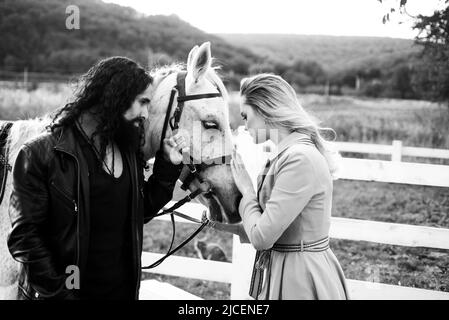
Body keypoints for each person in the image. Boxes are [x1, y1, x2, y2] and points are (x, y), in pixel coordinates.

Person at [7, 57, 186, 300]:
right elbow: (25, 237)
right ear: (116, 96)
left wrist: (167, 167)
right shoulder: (41, 153)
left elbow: (137, 212)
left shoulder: (127, 149)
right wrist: (61, 292)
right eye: (142, 102)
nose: (145, 114)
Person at [229, 73, 349, 300]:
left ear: (264, 109)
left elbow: (262, 237)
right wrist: (219, 222)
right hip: (285, 268)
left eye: (245, 116)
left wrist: (246, 191)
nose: (243, 125)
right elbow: (274, 227)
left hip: (301, 278)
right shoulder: (284, 154)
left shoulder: (299, 159)